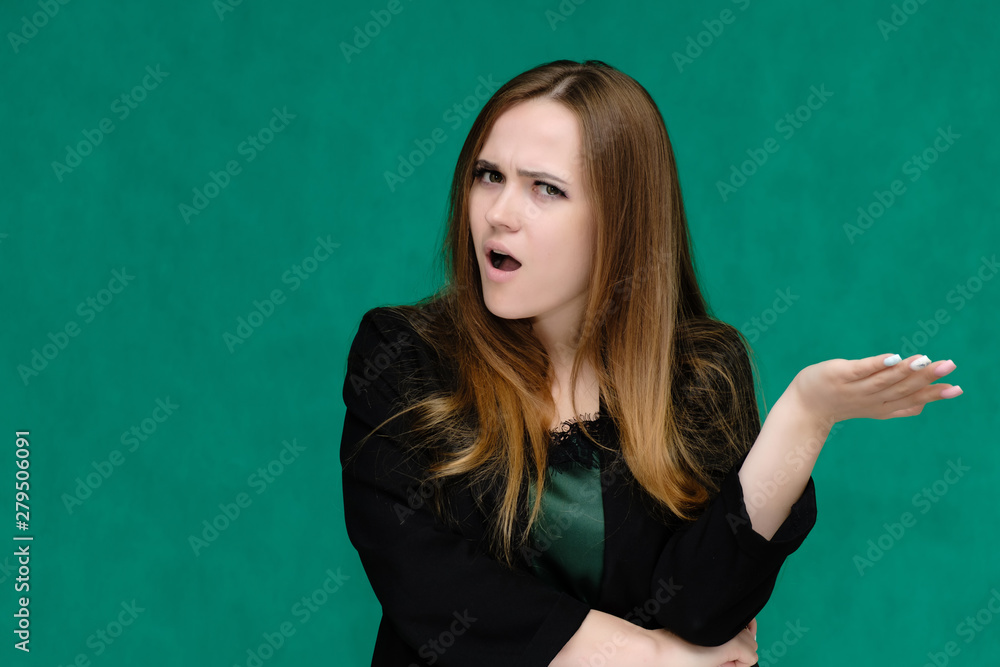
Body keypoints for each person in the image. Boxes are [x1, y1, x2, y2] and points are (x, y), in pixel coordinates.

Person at [339, 59, 963, 667]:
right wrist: (650, 655)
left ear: (621, 219)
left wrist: (805, 415)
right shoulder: (403, 354)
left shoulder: (700, 374)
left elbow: (702, 609)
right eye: (487, 176)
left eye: (544, 189)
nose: (499, 214)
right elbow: (427, 584)